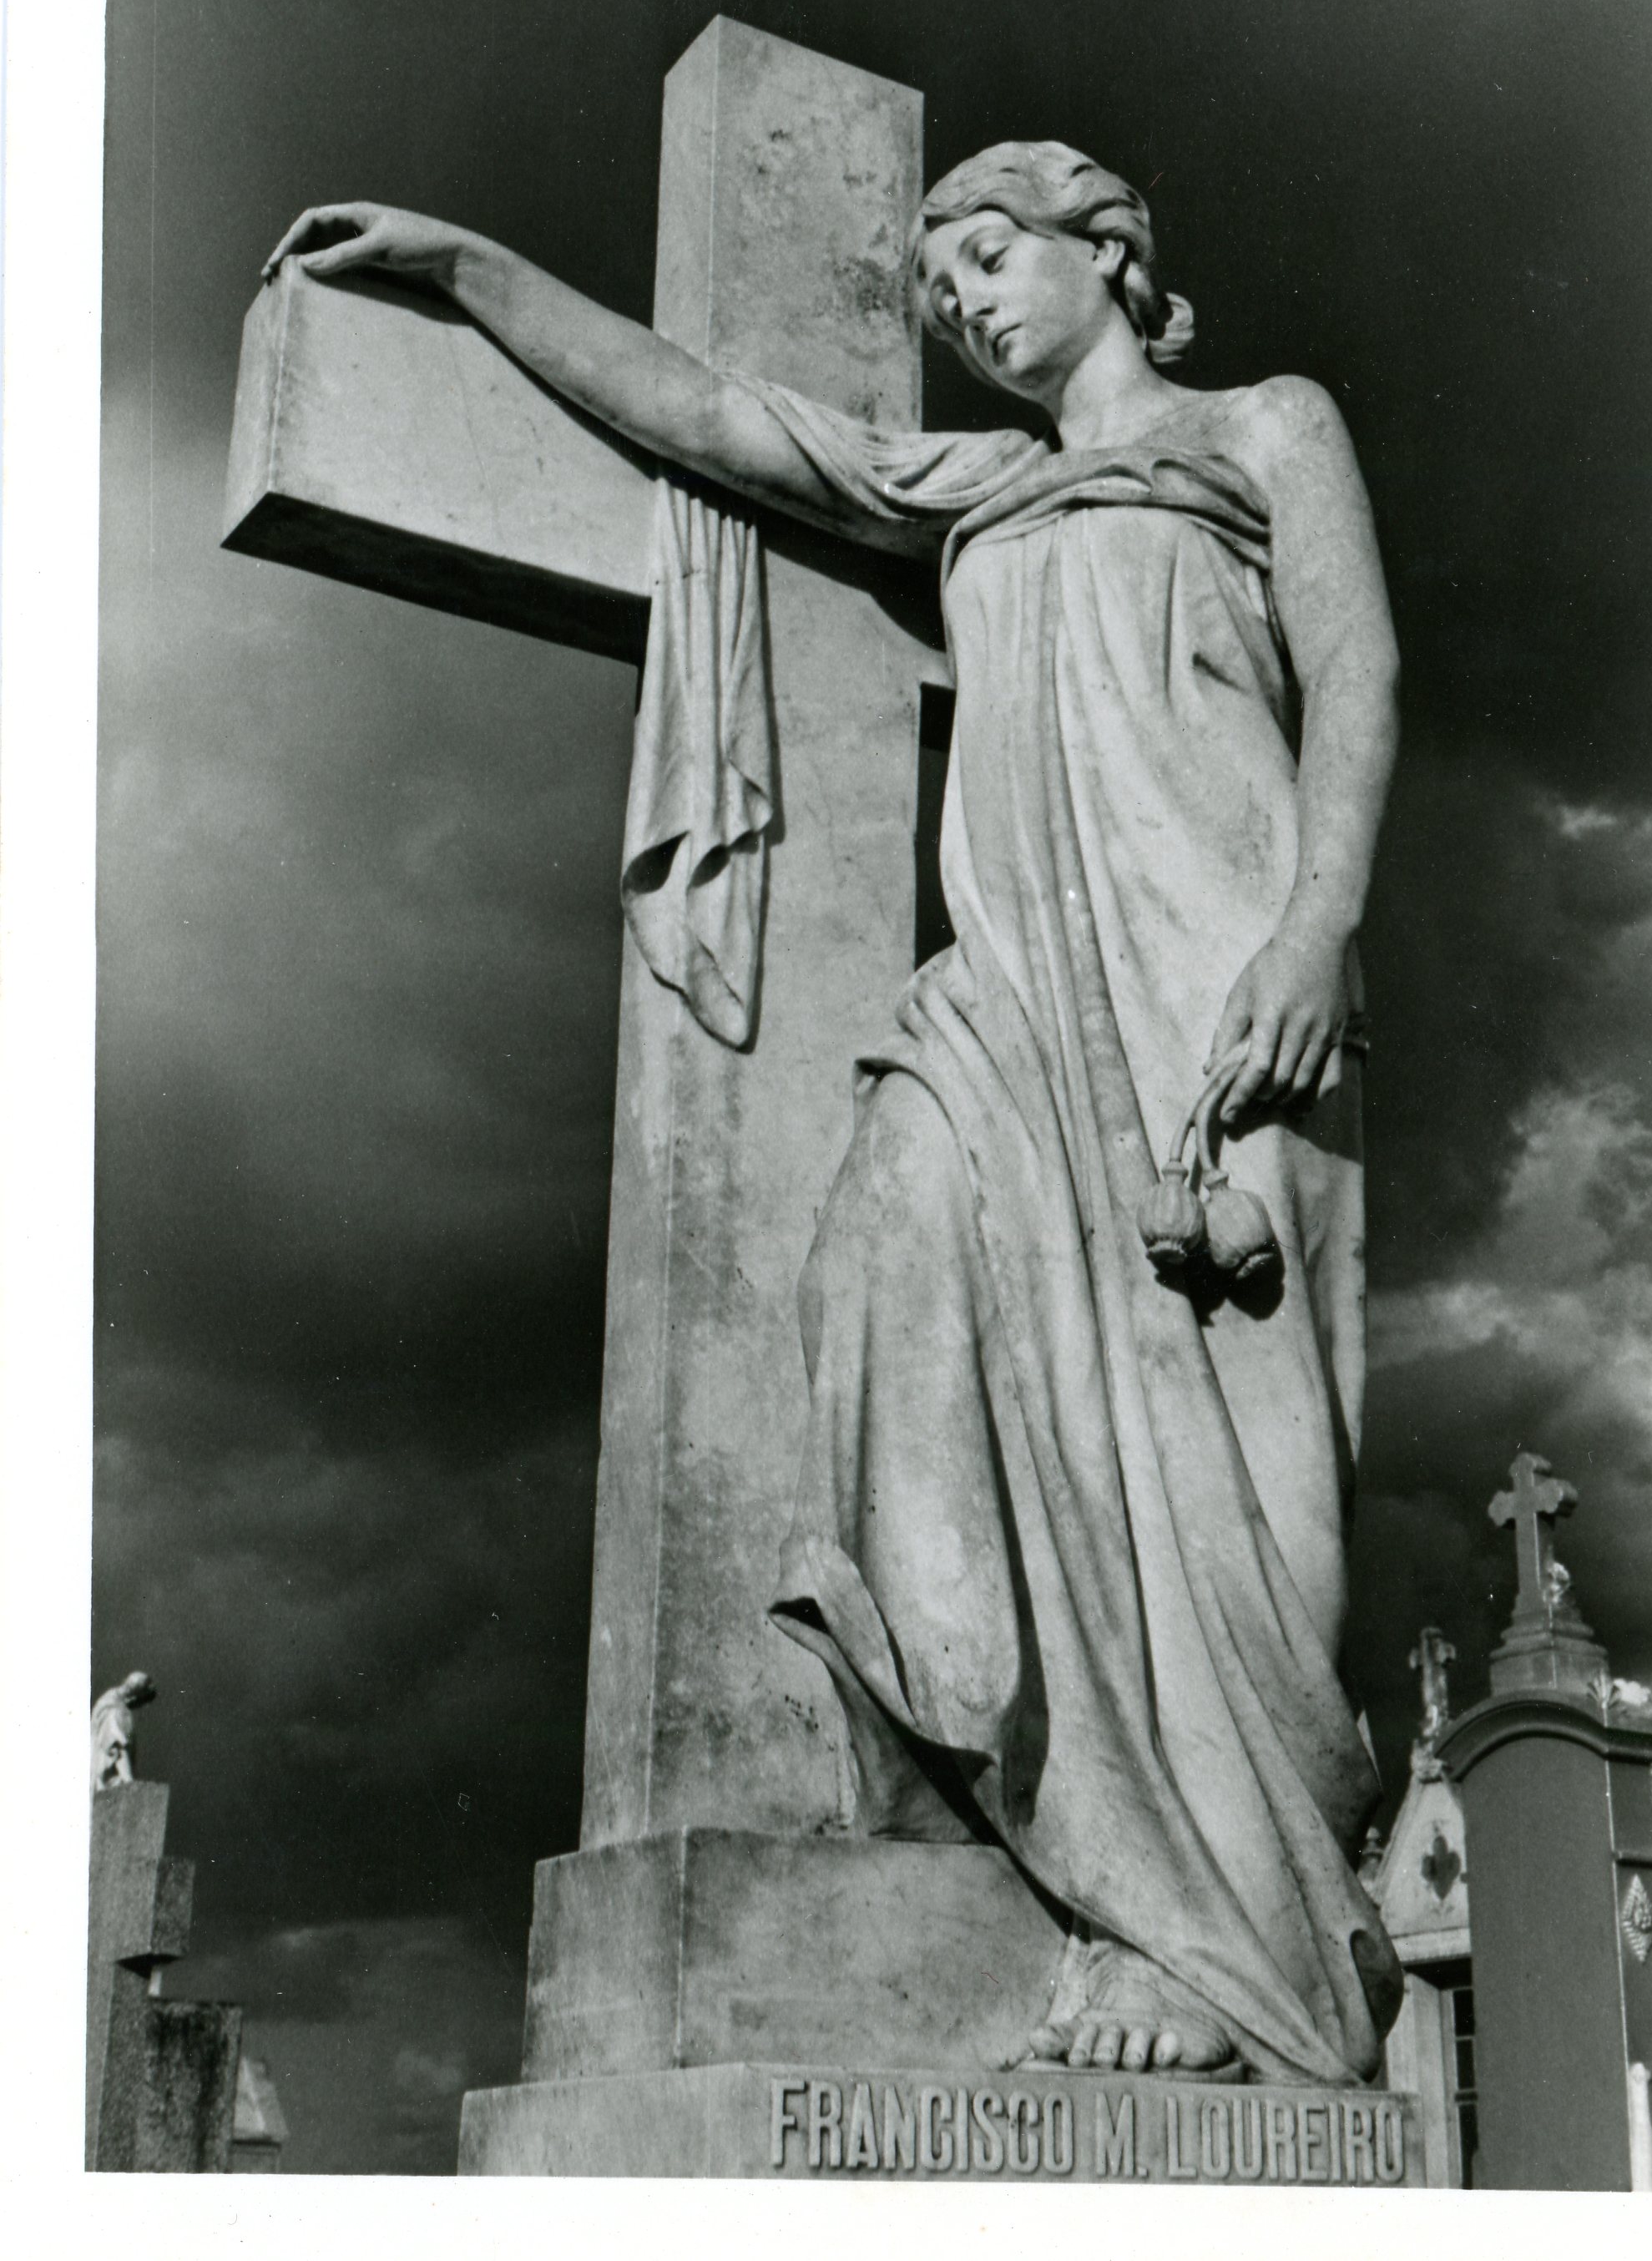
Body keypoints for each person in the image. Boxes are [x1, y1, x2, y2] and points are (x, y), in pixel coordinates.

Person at [265, 138, 1403, 2086]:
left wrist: (1313, 929)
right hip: (1014, 1009)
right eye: (941, 289)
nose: (966, 305)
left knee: (1227, 1477)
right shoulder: (976, 485)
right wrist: (468, 266)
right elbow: (721, 418)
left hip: (1222, 998)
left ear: (1109, 247)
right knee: (879, 1258)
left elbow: (1359, 667)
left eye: (990, 257)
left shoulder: (1260, 427)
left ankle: (1225, 1946)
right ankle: (1002, 1773)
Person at [90, 1670, 155, 1792]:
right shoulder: (115, 1708)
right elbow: (118, 1744)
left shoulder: (111, 1704)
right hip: (105, 1771)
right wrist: (128, 1778)